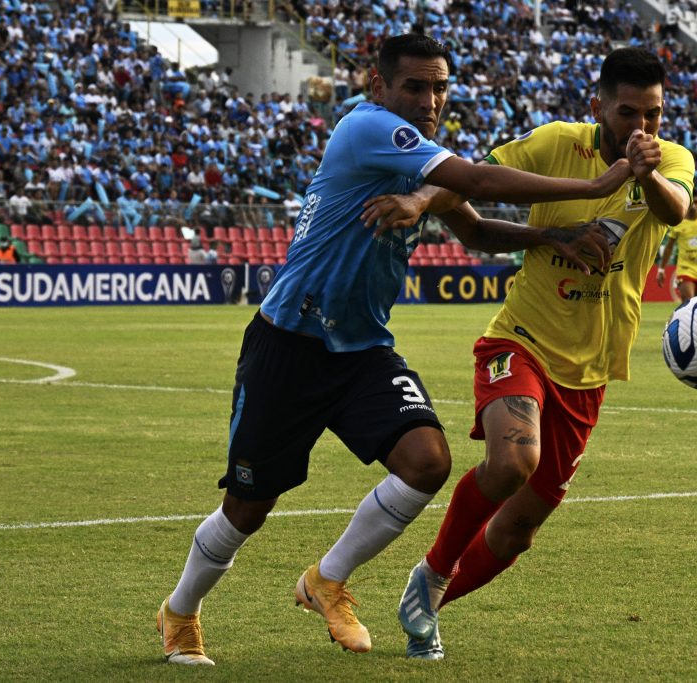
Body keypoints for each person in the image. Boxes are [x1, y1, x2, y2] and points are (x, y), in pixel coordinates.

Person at [156, 33, 632, 667]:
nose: (430, 99)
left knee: (426, 460)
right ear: (378, 87)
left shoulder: (417, 155)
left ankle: (326, 580)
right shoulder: (368, 128)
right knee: (247, 508)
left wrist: (553, 238)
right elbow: (476, 178)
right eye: (415, 86)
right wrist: (596, 185)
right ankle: (181, 611)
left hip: (361, 352)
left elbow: (478, 229)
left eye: (439, 88)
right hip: (289, 346)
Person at [368, 47, 693, 660]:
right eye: (628, 113)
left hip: (589, 369)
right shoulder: (554, 143)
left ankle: (428, 602)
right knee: (514, 459)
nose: (642, 129)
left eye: (653, 115)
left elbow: (675, 210)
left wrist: (643, 171)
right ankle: (436, 570)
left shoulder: (670, 160)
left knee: (518, 530)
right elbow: (465, 178)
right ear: (598, 106)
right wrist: (417, 202)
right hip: (520, 340)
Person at [655, 189, 697, 304]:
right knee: (688, 303)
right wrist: (661, 269)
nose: (694, 206)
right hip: (686, 269)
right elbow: (669, 247)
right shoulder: (678, 221)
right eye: (691, 202)